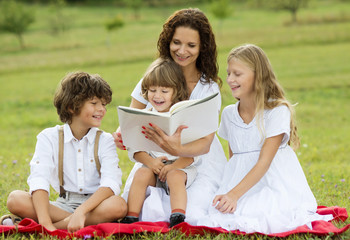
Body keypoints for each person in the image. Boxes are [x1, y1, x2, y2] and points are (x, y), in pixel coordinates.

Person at [197, 44, 333, 234]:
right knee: (219, 211)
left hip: (272, 181)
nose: (230, 79)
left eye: (237, 74)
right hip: (242, 180)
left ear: (257, 76)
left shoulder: (277, 111)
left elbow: (264, 162)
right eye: (229, 73)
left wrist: (234, 194)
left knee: (261, 212)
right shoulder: (229, 114)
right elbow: (235, 158)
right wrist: (230, 190)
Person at [116, 8, 227, 225]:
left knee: (194, 216)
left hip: (196, 160)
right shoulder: (153, 78)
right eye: (176, 42)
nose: (182, 50)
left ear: (202, 47)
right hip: (154, 158)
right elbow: (131, 119)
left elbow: (205, 144)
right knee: (138, 210)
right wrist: (121, 134)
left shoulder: (208, 88)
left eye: (191, 45)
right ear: (168, 41)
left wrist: (177, 151)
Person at [1, 72, 127, 233]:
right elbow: (39, 179)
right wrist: (46, 219)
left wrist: (81, 211)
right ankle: (57, 224)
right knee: (15, 199)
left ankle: (44, 228)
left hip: (95, 205)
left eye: (103, 104)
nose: (101, 109)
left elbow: (111, 184)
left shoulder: (105, 140)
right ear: (71, 106)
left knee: (118, 205)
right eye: (94, 103)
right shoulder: (49, 137)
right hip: (62, 204)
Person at [121, 58, 199, 227]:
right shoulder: (144, 116)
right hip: (152, 167)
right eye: (152, 90)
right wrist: (150, 162)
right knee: (141, 174)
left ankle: (177, 215)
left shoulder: (182, 118)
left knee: (175, 176)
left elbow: (192, 154)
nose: (157, 96)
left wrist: (173, 166)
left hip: (180, 166)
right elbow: (133, 147)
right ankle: (131, 216)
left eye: (164, 91)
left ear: (176, 91)